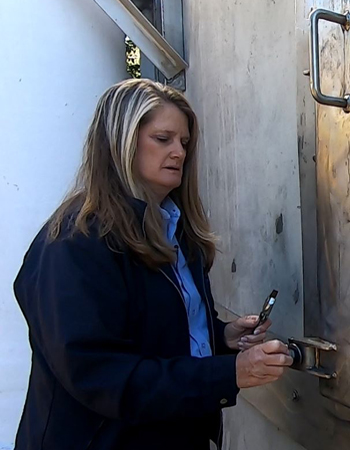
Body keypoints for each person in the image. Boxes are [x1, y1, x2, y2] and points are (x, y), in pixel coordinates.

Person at [13, 79, 293, 450]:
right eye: (163, 139)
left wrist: (221, 337)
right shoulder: (73, 243)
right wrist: (228, 373)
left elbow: (153, 329)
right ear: (120, 142)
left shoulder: (177, 231)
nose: (178, 152)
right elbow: (100, 375)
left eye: (185, 142)